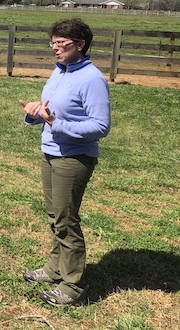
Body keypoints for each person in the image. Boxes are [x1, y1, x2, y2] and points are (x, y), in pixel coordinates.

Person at [18, 18, 111, 306]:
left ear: (80, 44)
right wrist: (35, 113)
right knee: (54, 218)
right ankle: (54, 268)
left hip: (73, 158)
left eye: (62, 43)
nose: (55, 49)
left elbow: (100, 126)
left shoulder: (92, 79)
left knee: (66, 221)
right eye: (53, 43)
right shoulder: (59, 72)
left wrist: (57, 124)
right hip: (51, 153)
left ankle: (71, 286)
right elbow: (50, 111)